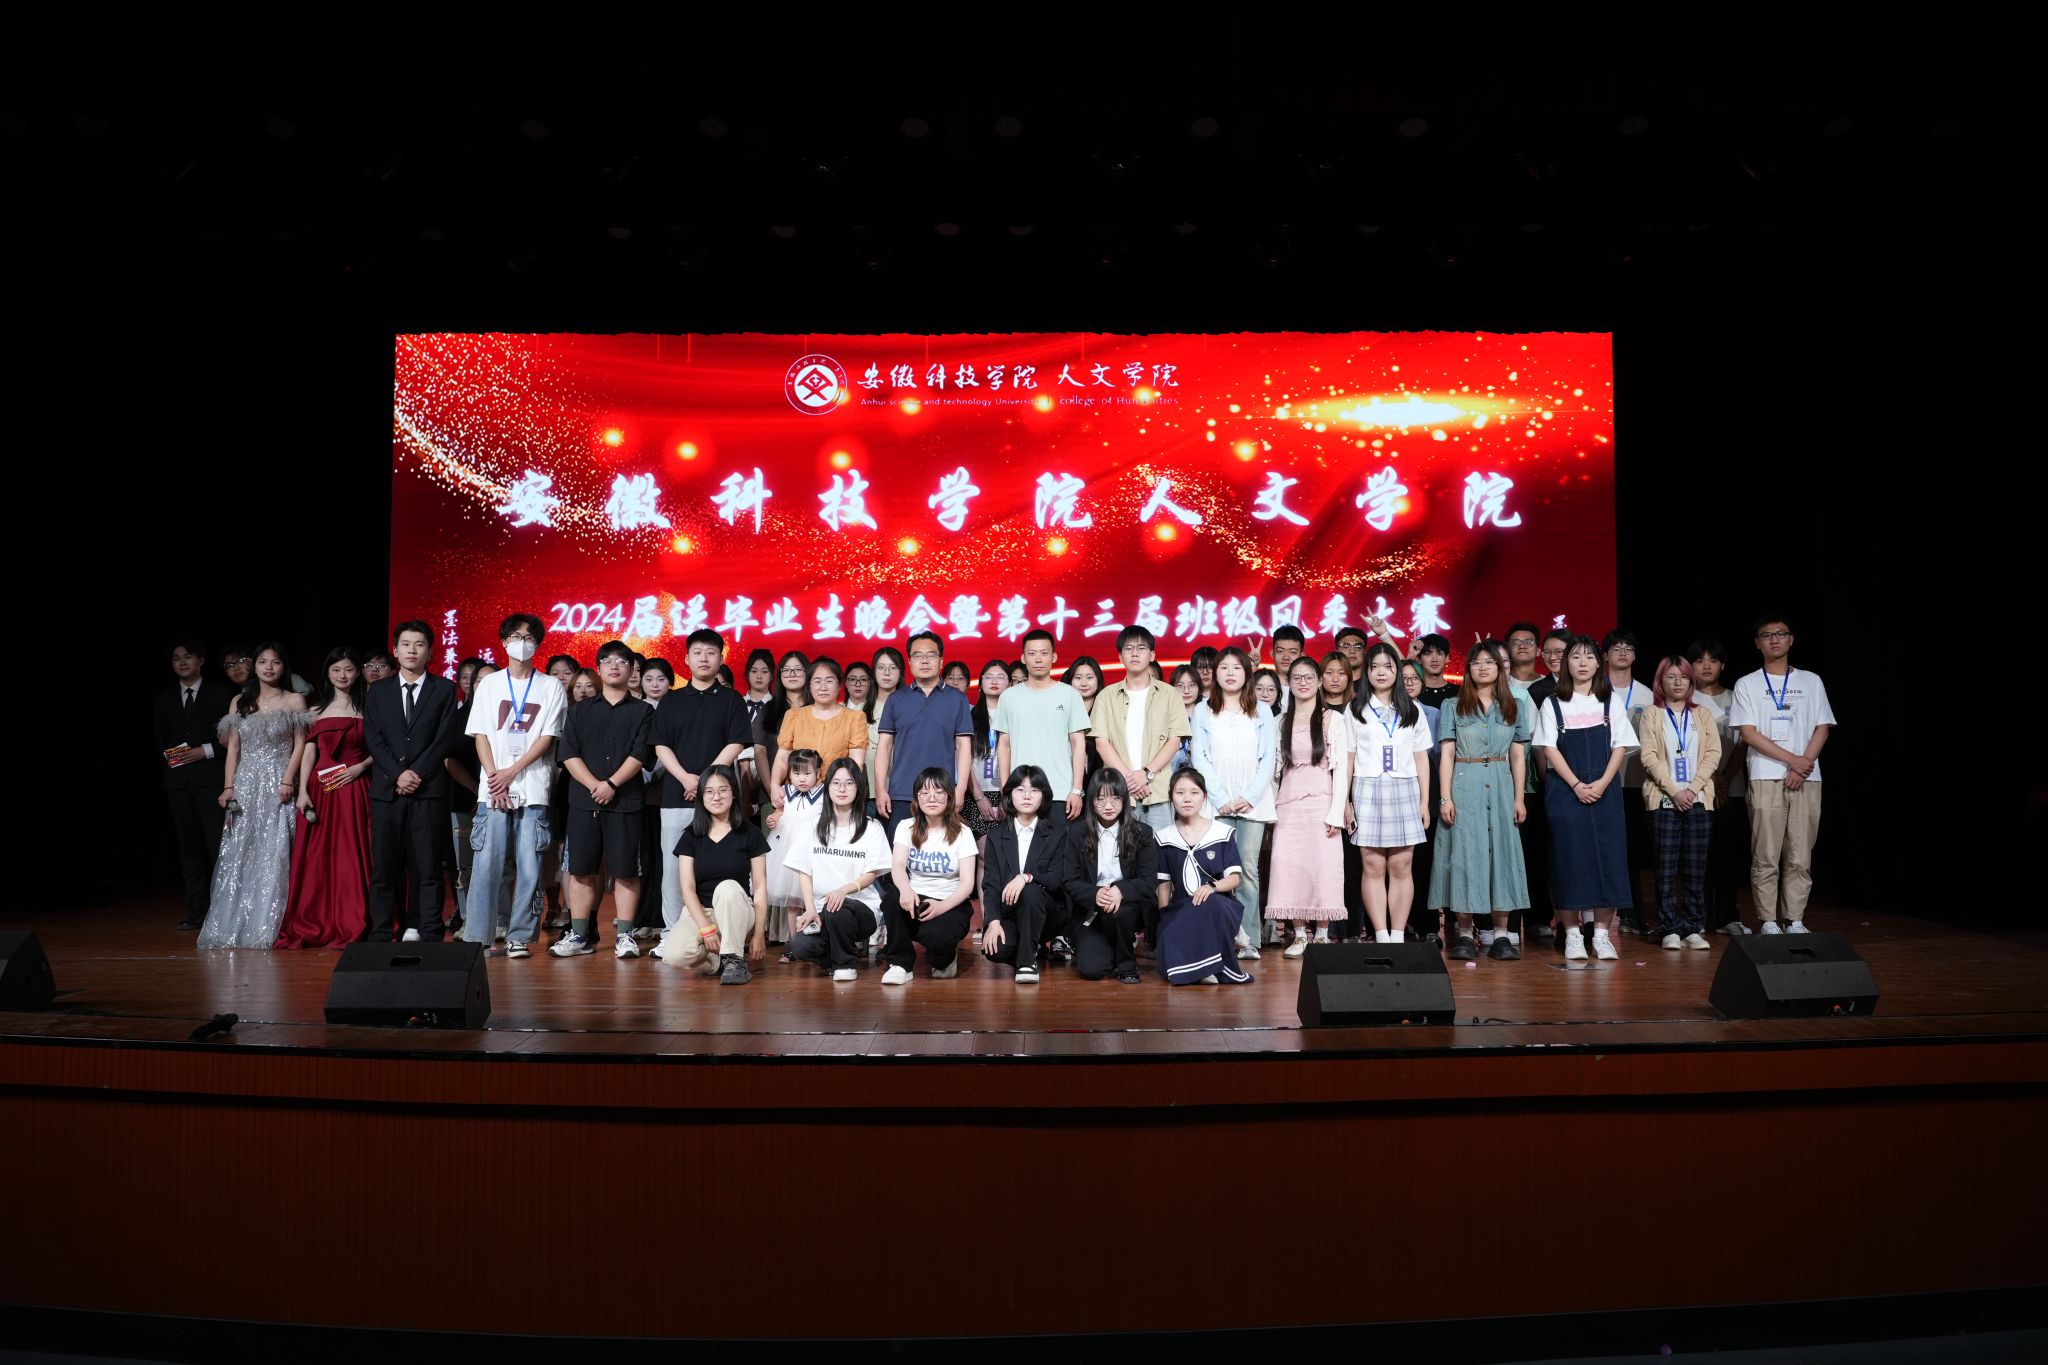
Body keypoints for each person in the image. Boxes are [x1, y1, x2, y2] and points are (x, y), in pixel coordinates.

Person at [463, 613, 567, 958]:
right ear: (504, 641)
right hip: (492, 790)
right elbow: (480, 734)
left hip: (532, 787)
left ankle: (520, 936)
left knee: (530, 865)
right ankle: (479, 935)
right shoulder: (490, 684)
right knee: (486, 865)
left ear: (538, 643)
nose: (522, 643)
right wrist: (496, 777)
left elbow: (548, 737)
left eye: (529, 637)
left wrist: (513, 772)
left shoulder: (550, 686)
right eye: (515, 637)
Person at [1533, 635, 1638, 961]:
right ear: (1566, 663)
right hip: (1566, 791)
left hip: (1605, 792)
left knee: (1608, 860)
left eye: (1589, 657)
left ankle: (1602, 935)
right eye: (1575, 657)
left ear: (1598, 662)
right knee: (1569, 860)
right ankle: (1573, 934)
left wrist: (1603, 783)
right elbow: (1549, 749)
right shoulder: (1553, 703)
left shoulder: (1609, 701)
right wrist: (1577, 784)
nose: (1582, 663)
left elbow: (1620, 746)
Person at [198, 644, 309, 949]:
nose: (269, 667)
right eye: (262, 661)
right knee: (241, 851)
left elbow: (300, 744)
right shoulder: (240, 701)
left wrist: (287, 779)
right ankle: (237, 921)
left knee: (275, 850)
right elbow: (233, 748)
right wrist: (228, 787)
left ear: (284, 667)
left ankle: (270, 923)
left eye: (275, 662)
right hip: (246, 782)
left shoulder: (294, 700)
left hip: (278, 782)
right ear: (255, 666)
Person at [1730, 617, 1836, 934]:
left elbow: (1823, 726)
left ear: (1791, 640)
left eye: (1780, 634)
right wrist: (1793, 761)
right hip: (1765, 776)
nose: (1774, 639)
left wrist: (1804, 764)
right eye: (1767, 635)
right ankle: (1768, 920)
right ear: (1757, 643)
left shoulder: (1811, 681)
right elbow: (1748, 733)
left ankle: (1795, 919)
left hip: (1807, 778)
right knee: (1766, 854)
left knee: (1800, 855)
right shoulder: (1747, 684)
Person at [1429, 640, 1531, 962]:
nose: (1483, 667)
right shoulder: (1452, 705)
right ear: (1468, 669)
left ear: (1500, 668)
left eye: (1489, 661)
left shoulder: (1514, 704)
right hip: (1465, 783)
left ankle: (1501, 935)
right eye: (1476, 662)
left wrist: (1519, 798)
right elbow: (1447, 754)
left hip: (1501, 785)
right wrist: (1445, 797)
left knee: (1502, 854)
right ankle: (1464, 933)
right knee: (1464, 855)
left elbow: (1518, 755)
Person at [650, 630, 752, 952]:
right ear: (686, 659)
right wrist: (686, 779)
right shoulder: (671, 700)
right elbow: (660, 745)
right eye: (697, 653)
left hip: (720, 798)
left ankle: (722, 931)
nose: (704, 658)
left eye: (711, 653)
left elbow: (737, 742)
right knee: (673, 869)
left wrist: (707, 782)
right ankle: (673, 931)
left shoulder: (732, 699)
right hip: (676, 795)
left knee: (721, 864)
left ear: (721, 658)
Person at [552, 640, 653, 958]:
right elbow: (569, 754)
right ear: (598, 669)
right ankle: (579, 935)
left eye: (622, 661)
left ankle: (625, 936)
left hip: (626, 801)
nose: (614, 666)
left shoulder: (643, 711)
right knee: (581, 870)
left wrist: (611, 784)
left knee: (626, 870)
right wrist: (595, 785)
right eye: (607, 661)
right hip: (583, 802)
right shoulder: (578, 712)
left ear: (631, 669)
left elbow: (641, 754)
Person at [363, 622, 460, 943]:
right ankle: (381, 931)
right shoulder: (378, 691)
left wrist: (415, 773)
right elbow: (374, 738)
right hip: (387, 791)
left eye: (419, 645)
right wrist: (397, 774)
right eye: (405, 644)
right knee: (384, 866)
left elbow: (444, 739)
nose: (412, 650)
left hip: (427, 791)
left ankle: (428, 930)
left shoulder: (444, 689)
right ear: (395, 650)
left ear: (430, 651)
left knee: (428, 865)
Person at [277, 648, 374, 949]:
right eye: (336, 670)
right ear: (328, 673)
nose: (342, 675)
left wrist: (360, 767)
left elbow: (382, 749)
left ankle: (354, 919)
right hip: (322, 789)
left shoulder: (370, 707)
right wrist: (303, 791)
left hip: (356, 788)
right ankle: (317, 919)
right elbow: (309, 753)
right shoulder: (316, 710)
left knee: (352, 854)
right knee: (319, 858)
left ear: (357, 672)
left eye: (348, 669)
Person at [1190, 646, 1276, 959]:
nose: (1230, 673)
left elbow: (1268, 758)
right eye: (1224, 667)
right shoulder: (1203, 710)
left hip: (1254, 803)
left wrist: (1248, 797)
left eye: (1236, 668)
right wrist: (1221, 798)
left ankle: (1249, 939)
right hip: (1216, 803)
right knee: (1217, 871)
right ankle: (1222, 936)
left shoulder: (1262, 710)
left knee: (1248, 869)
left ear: (1247, 673)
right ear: (1215, 673)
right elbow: (1200, 756)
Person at [1346, 645, 1432, 944]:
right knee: (1372, 866)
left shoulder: (1412, 709)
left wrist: (1425, 802)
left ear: (1397, 671)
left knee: (1401, 865)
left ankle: (1398, 935)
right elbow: (1348, 759)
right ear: (1367, 672)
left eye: (1388, 666)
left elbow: (1421, 758)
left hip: (1405, 788)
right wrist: (1345, 802)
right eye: (1375, 667)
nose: (1381, 672)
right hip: (1367, 788)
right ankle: (1381, 934)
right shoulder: (1355, 709)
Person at [1268, 656, 1352, 955]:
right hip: (1288, 804)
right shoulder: (1280, 722)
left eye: (1308, 677)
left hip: (1322, 802)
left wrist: (1337, 813)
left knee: (1323, 867)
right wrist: (1270, 810)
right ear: (1288, 684)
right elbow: (1274, 770)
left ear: (1319, 682)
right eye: (1296, 678)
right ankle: (1300, 934)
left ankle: (1323, 935)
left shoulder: (1333, 720)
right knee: (1289, 866)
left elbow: (1341, 769)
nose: (1302, 683)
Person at [785, 759, 892, 982]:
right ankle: (837, 957)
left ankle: (846, 965)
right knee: (801, 946)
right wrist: (810, 908)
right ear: (828, 787)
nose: (842, 789)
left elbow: (872, 873)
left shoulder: (871, 827)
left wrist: (844, 890)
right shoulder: (812, 826)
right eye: (836, 783)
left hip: (862, 908)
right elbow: (804, 872)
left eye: (849, 783)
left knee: (838, 907)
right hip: (823, 909)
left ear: (859, 787)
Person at [1640, 656, 1722, 950]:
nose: (1678, 682)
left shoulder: (1702, 714)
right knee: (1665, 868)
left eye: (1683, 677)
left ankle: (1693, 926)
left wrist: (1693, 787)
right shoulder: (1652, 714)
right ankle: (1669, 928)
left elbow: (1713, 753)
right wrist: (1675, 791)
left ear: (1691, 682)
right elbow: (1649, 756)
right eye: (1671, 677)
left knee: (1695, 868)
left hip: (1698, 800)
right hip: (1663, 800)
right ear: (1660, 681)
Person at [665, 765, 769, 983]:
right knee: (674, 955)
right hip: (702, 911)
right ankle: (718, 961)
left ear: (734, 793)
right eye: (709, 791)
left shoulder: (750, 833)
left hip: (737, 909)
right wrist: (706, 928)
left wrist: (759, 933)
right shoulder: (691, 836)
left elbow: (760, 887)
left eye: (723, 790)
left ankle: (735, 961)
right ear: (701, 797)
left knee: (727, 888)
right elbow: (687, 889)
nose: (716, 797)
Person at [157, 640, 234, 930]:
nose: (182, 662)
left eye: (188, 656)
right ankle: (197, 909)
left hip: (212, 781)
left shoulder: (221, 694)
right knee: (189, 849)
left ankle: (222, 910)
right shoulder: (163, 699)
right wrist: (177, 758)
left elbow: (233, 739)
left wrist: (206, 750)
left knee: (217, 845)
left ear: (201, 660)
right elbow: (160, 739)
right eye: (176, 658)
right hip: (179, 783)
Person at [1154, 769, 1254, 986]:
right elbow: (1164, 884)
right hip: (1182, 907)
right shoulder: (1163, 838)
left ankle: (1203, 969)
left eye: (1194, 792)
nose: (1187, 798)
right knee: (1169, 936)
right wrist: (1163, 919)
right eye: (1180, 792)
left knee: (1210, 903)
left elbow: (1234, 879)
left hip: (1219, 905)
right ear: (1171, 797)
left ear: (1204, 797)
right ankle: (1203, 970)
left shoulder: (1222, 832)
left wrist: (1211, 887)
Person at [1090, 626, 1193, 834]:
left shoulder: (1170, 694)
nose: (1135, 653)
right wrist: (1130, 780)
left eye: (1141, 648)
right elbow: (1101, 743)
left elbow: (1174, 740)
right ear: (1120, 656)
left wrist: (1146, 774)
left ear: (1152, 655)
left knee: (1159, 851)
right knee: (1118, 851)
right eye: (1128, 649)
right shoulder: (1106, 696)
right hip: (1117, 793)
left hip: (1157, 792)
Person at [874, 630, 975, 842]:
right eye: (918, 655)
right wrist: (881, 789)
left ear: (941, 661)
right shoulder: (896, 699)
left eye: (931, 655)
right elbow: (884, 747)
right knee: (898, 856)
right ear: (909, 662)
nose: (925, 660)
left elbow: (963, 747)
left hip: (942, 794)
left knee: (941, 855)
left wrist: (960, 790)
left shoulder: (957, 700)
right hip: (901, 794)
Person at [978, 765, 1074, 985]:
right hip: (1011, 912)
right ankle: (1032, 946)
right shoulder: (997, 835)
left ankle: (1026, 962)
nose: (1027, 796)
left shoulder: (1058, 833)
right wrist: (992, 921)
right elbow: (991, 884)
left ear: (1044, 796)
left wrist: (1026, 877)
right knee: (995, 949)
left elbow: (1057, 879)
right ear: (1010, 794)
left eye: (1034, 790)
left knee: (1031, 892)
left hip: (1047, 914)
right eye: (1020, 790)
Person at [882, 767, 979, 983]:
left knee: (936, 938)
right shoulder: (906, 827)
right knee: (891, 898)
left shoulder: (963, 832)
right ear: (917, 798)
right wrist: (906, 889)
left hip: (950, 902)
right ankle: (900, 964)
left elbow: (967, 884)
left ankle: (945, 958)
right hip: (916, 899)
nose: (931, 798)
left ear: (949, 797)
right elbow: (898, 865)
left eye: (938, 792)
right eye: (925, 793)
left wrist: (941, 907)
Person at [1063, 770, 1158, 983]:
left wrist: (1120, 891)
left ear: (1124, 799)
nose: (1108, 806)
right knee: (1091, 970)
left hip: (1128, 908)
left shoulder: (1142, 833)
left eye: (1115, 798)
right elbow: (1070, 880)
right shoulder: (1077, 832)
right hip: (1092, 910)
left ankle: (1127, 965)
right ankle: (1115, 946)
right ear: (1091, 800)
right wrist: (1096, 894)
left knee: (1121, 912)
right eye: (1100, 799)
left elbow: (1148, 881)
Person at [993, 629, 1091, 824]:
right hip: (1020, 793)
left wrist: (1077, 790)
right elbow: (1004, 745)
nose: (1038, 659)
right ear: (1023, 658)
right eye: (1032, 653)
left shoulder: (1070, 695)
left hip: (1060, 792)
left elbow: (1078, 744)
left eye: (1044, 653)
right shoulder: (1009, 697)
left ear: (1054, 657)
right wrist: (1006, 791)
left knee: (1060, 844)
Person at [1688, 638, 1749, 935]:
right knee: (1697, 857)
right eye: (1700, 660)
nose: (1706, 666)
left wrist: (1724, 779)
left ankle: (1726, 916)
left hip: (1730, 789)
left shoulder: (1737, 697)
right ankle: (1697, 917)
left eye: (1713, 660)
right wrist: (1710, 778)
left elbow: (1745, 741)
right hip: (1697, 789)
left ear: (1722, 665)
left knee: (1728, 855)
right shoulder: (1685, 698)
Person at [1602, 628, 1655, 934]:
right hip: (1603, 782)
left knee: (1633, 851)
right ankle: (1603, 913)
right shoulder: (1596, 690)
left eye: (1628, 648)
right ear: (1605, 655)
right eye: (1616, 648)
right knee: (1607, 849)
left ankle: (1633, 912)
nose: (1623, 653)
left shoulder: (1648, 694)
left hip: (1636, 781)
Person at [772, 657, 868, 801]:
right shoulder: (794, 716)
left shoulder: (855, 718)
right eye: (817, 681)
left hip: (836, 796)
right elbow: (782, 758)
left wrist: (840, 793)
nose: (823, 687)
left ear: (839, 685)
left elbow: (856, 764)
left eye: (829, 681)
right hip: (798, 795)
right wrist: (774, 785)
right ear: (809, 686)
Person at [1400, 657, 1446, 942]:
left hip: (1427, 790)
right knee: (1399, 863)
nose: (1409, 683)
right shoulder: (1385, 712)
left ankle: (1428, 926)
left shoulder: (1433, 714)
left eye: (1414, 678)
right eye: (1404, 678)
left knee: (1425, 862)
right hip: (1396, 791)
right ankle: (1401, 924)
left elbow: (1440, 757)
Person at [763, 748, 824, 947]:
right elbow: (779, 812)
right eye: (796, 773)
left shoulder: (823, 793)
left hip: (813, 850)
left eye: (807, 773)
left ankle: (817, 944)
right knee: (792, 904)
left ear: (818, 773)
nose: (801, 778)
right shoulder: (786, 792)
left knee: (814, 901)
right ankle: (794, 944)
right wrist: (774, 818)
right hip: (787, 850)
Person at [964, 660, 1011, 839]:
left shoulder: (1016, 717)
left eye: (1001, 677)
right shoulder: (968, 716)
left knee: (1006, 850)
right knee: (983, 851)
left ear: (1010, 683)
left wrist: (1006, 797)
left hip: (1009, 793)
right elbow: (963, 759)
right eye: (989, 677)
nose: (994, 681)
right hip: (976, 793)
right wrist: (979, 797)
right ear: (981, 683)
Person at [739, 647, 778, 817]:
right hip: (738, 763)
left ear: (772, 675)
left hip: (768, 764)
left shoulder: (778, 706)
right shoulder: (736, 703)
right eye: (754, 671)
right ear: (747, 674)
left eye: (764, 671)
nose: (759, 676)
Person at [1064, 655, 1109, 785]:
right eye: (1078, 678)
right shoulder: (1061, 710)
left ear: (1098, 679)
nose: (1084, 683)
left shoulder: (1107, 709)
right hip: (1067, 778)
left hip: (1101, 780)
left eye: (1089, 677)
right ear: (1070, 680)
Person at [865, 646, 904, 782]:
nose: (887, 673)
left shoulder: (911, 707)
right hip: (867, 783)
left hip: (900, 782)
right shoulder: (859, 710)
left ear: (901, 673)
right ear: (874, 672)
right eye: (881, 667)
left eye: (893, 668)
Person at [1414, 634, 1457, 709]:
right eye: (1428, 654)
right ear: (1419, 659)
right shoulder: (1412, 692)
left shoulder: (1461, 692)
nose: (1434, 659)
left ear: (1447, 658)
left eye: (1439, 653)